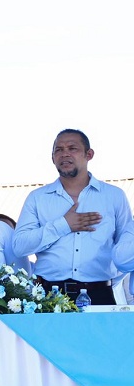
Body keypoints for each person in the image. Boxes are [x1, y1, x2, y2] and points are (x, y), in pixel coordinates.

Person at [14, 129, 132, 305]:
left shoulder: (114, 196)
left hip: (100, 295)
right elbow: (19, 246)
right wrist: (63, 225)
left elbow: (126, 249)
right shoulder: (37, 198)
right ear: (52, 158)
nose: (65, 154)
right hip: (48, 296)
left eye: (72, 148)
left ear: (89, 154)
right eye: (58, 150)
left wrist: (105, 280)